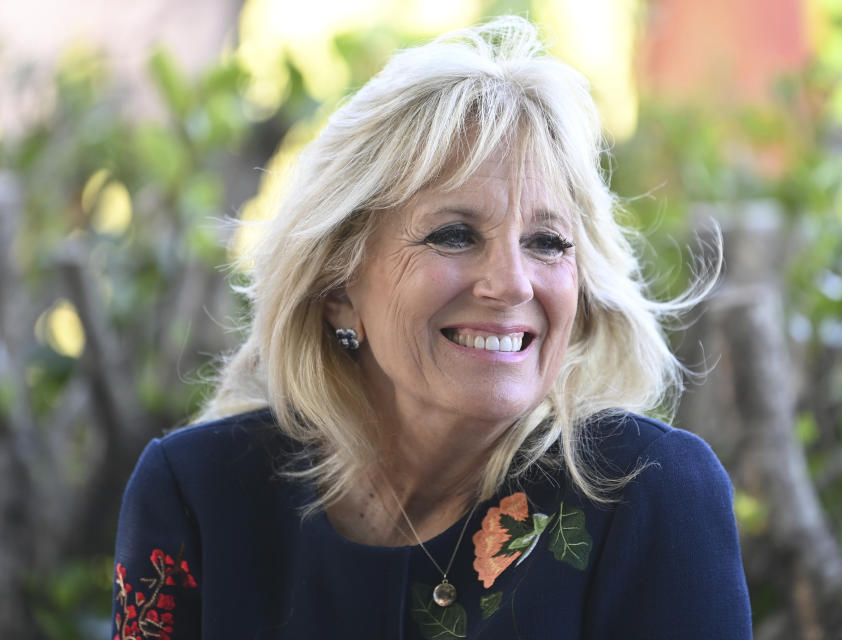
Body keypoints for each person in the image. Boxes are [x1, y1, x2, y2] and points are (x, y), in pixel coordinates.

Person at [111, 16, 751, 640]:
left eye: (548, 242)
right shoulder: (197, 492)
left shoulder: (650, 492)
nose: (513, 283)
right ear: (337, 288)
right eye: (454, 235)